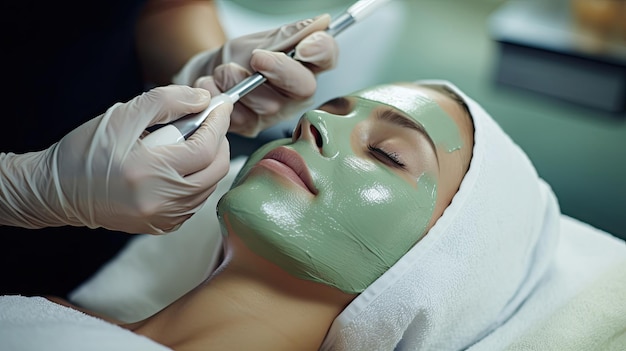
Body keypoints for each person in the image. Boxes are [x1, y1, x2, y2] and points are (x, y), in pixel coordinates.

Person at [3, 81, 626, 350]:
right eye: (328, 110)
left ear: (438, 266)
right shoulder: (38, 312)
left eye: (386, 153)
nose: (316, 122)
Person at [0, 1, 339, 297]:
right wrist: (21, 188)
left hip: (105, 234)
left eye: (386, 154)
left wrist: (206, 68)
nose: (317, 125)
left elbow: (167, 6)